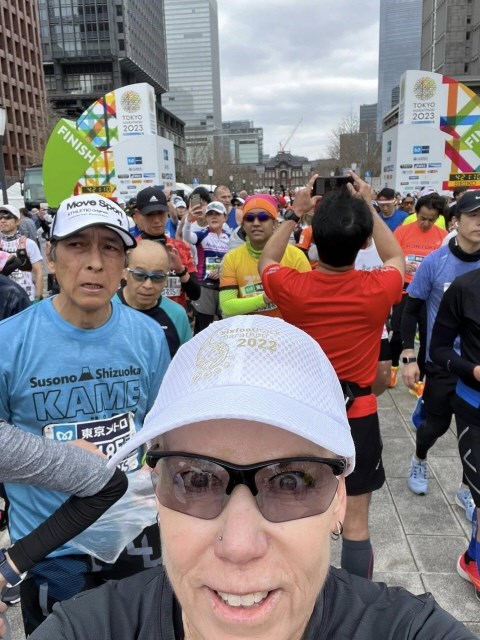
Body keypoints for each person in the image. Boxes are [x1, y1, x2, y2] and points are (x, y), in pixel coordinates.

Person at [30, 316, 474, 639]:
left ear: (340, 498)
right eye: (196, 480)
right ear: (156, 492)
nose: (240, 546)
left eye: (291, 482)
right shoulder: (88, 629)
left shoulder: (406, 630)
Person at [0, 194, 171, 634]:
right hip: (51, 546)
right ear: (51, 256)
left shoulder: (148, 336)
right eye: (77, 245)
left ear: (123, 265)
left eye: (110, 248)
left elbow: (160, 432)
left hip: (136, 532)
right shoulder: (8, 342)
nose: (95, 262)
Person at [258, 172, 404, 580]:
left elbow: (266, 261)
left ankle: (299, 590)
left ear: (313, 240)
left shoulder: (293, 287)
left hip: (304, 414)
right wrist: (369, 206)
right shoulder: (379, 288)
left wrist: (294, 212)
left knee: (296, 514)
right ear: (364, 242)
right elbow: (396, 256)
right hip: (358, 414)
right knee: (356, 523)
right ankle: (355, 603)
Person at [0, 421, 127, 637]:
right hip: (52, 555)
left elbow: (108, 483)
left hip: (121, 532)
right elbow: (108, 484)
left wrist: (9, 568)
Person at [400, 191, 480, 515]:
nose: (479, 222)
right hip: (442, 362)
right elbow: (411, 309)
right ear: (456, 222)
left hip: (475, 366)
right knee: (435, 426)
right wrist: (408, 355)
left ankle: (467, 489)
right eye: (473, 215)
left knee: (474, 437)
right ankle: (419, 458)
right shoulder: (436, 262)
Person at [430, 267, 480, 599]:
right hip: (474, 407)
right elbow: (439, 349)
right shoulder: (464, 288)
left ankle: (472, 557)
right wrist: (472, 370)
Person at [388, 194, 448, 388]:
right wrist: (402, 264)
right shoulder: (402, 231)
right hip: (405, 288)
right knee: (398, 333)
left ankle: (420, 378)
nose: (426, 223)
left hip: (429, 292)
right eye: (422, 218)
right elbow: (390, 255)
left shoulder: (443, 236)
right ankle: (394, 366)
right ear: (416, 213)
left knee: (425, 335)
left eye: (431, 219)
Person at [219, 194, 310, 317]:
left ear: (275, 223)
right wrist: (265, 298)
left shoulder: (296, 256)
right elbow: (227, 306)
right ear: (243, 225)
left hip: (285, 327)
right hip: (248, 327)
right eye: (250, 218)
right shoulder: (232, 258)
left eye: (263, 217)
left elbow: (308, 301)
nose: (256, 223)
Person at [115, 240, 192, 357]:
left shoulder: (177, 315)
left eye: (157, 277)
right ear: (124, 272)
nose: (148, 285)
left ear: (166, 278)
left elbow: (187, 362)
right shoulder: (104, 309)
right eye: (139, 275)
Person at [136, 186, 201, 308]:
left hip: (174, 315)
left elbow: (195, 294)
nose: (157, 220)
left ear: (167, 213)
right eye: (150, 214)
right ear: (139, 215)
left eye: (160, 213)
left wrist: (180, 270)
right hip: (140, 315)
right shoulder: (131, 249)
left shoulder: (180, 248)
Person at [183, 200, 230, 333]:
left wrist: (222, 271)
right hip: (205, 285)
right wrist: (188, 220)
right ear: (206, 218)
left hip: (225, 286)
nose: (213, 217)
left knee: (225, 325)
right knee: (204, 326)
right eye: (210, 214)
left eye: (217, 214)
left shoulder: (230, 238)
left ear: (225, 217)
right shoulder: (202, 234)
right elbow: (187, 236)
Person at [0, 204, 43, 302]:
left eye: (7, 217)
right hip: (3, 300)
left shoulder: (29, 244)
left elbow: (38, 272)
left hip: (27, 298)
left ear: (18, 221)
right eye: (0, 218)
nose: (2, 221)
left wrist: (38, 297)